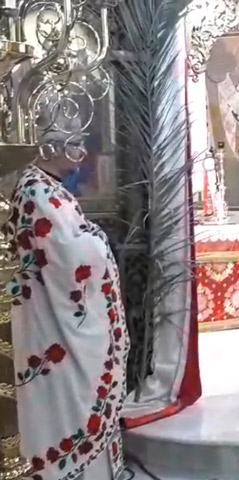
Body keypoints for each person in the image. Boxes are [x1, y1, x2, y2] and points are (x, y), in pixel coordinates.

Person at [5, 111, 129, 479]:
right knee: (62, 394)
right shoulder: (37, 190)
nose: (81, 151)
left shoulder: (47, 186)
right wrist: (96, 240)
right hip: (49, 318)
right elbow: (66, 259)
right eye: (72, 143)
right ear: (49, 147)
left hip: (53, 310)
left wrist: (87, 235)